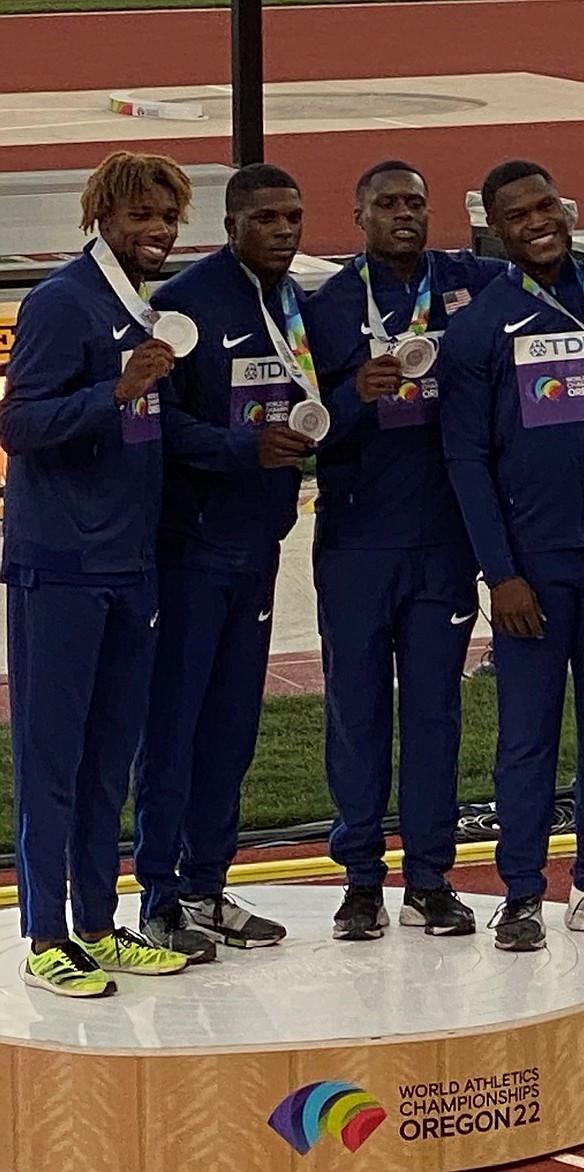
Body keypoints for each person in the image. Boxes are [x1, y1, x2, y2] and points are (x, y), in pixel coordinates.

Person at [305, 158, 584, 942]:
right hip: (358, 538)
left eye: (415, 203)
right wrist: (357, 397)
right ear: (358, 216)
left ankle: (428, 879)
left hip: (447, 543)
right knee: (356, 714)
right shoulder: (326, 306)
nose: (404, 215)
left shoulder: (472, 280)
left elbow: (549, 262)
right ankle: (360, 881)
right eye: (386, 204)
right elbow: (306, 421)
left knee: (435, 714)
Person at [440, 158, 584, 951]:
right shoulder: (478, 326)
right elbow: (466, 460)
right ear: (494, 230)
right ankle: (523, 895)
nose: (537, 222)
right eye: (517, 214)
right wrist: (499, 572)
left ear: (565, 211)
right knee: (526, 736)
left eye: (547, 207)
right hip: (530, 568)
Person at [1, 151, 195, 997]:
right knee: (54, 758)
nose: (157, 231)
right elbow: (18, 424)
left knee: (109, 758)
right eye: (142, 216)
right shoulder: (58, 304)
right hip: (61, 569)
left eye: (168, 218)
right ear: (103, 219)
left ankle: (96, 925)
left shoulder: (150, 307)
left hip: (131, 566)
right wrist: (111, 393)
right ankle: (45, 937)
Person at [134, 163, 314, 956]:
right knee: (175, 726)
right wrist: (243, 451)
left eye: (294, 218)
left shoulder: (296, 299)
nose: (284, 231)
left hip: (259, 549)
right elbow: (160, 426)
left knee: (234, 728)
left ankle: (209, 885)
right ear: (233, 223)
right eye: (268, 218)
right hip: (192, 549)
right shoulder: (184, 305)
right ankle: (159, 898)